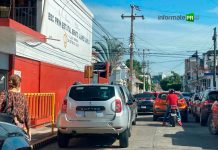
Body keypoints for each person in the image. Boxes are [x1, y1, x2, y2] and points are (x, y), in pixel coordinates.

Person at [0, 75, 31, 139]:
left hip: (6, 127)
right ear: (18, 84)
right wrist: (29, 129)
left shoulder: (4, 94)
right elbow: (26, 114)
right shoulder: (23, 97)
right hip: (19, 128)